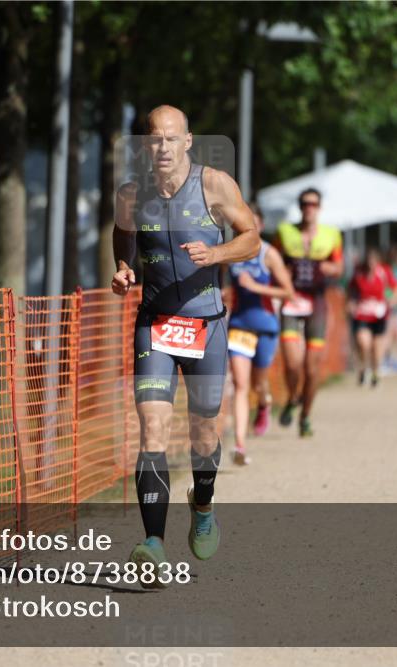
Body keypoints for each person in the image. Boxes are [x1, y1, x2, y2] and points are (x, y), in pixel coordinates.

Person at [111, 105, 259, 585]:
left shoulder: (214, 185)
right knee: (152, 429)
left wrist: (216, 253)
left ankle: (203, 504)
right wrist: (124, 266)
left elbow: (252, 238)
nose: (163, 149)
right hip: (154, 325)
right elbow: (122, 234)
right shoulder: (132, 194)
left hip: (206, 325)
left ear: (188, 141)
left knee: (203, 435)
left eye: (172, 140)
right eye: (155, 140)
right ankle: (153, 542)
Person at [226, 203, 294, 465]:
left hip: (265, 325)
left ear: (261, 226)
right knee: (241, 386)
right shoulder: (231, 254)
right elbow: (224, 283)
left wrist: (256, 287)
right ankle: (240, 446)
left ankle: (264, 403)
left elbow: (288, 292)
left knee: (258, 384)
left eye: (252, 222)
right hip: (240, 326)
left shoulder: (269, 254)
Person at [274, 188, 343, 437]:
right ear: (300, 206)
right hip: (291, 301)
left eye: (313, 204)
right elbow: (274, 260)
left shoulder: (331, 235)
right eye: (304, 203)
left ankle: (305, 416)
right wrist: (283, 274)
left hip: (317, 303)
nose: (309, 208)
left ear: (319, 207)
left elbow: (339, 266)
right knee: (292, 363)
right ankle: (293, 398)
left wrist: (329, 268)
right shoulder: (285, 232)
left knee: (312, 368)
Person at [348, 249, 397, 387]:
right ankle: (363, 367)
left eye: (373, 261)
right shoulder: (358, 273)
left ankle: (375, 373)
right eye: (368, 261)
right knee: (364, 343)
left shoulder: (384, 272)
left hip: (380, 315)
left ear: (377, 261)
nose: (371, 264)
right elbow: (351, 290)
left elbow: (396, 289)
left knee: (377, 350)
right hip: (362, 314)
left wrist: (393, 301)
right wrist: (351, 303)